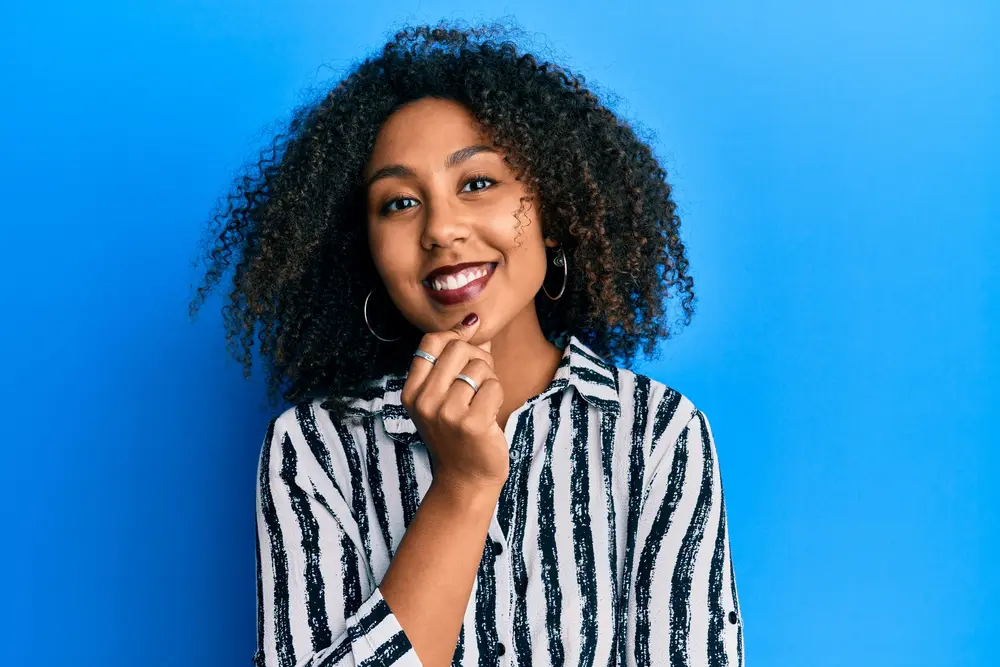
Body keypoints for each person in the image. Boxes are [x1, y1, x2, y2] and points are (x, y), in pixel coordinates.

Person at [190, 21, 744, 667]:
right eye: (398, 203)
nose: (442, 229)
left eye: (477, 183)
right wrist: (463, 485)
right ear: (364, 252)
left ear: (556, 213)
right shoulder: (313, 446)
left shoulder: (654, 433)